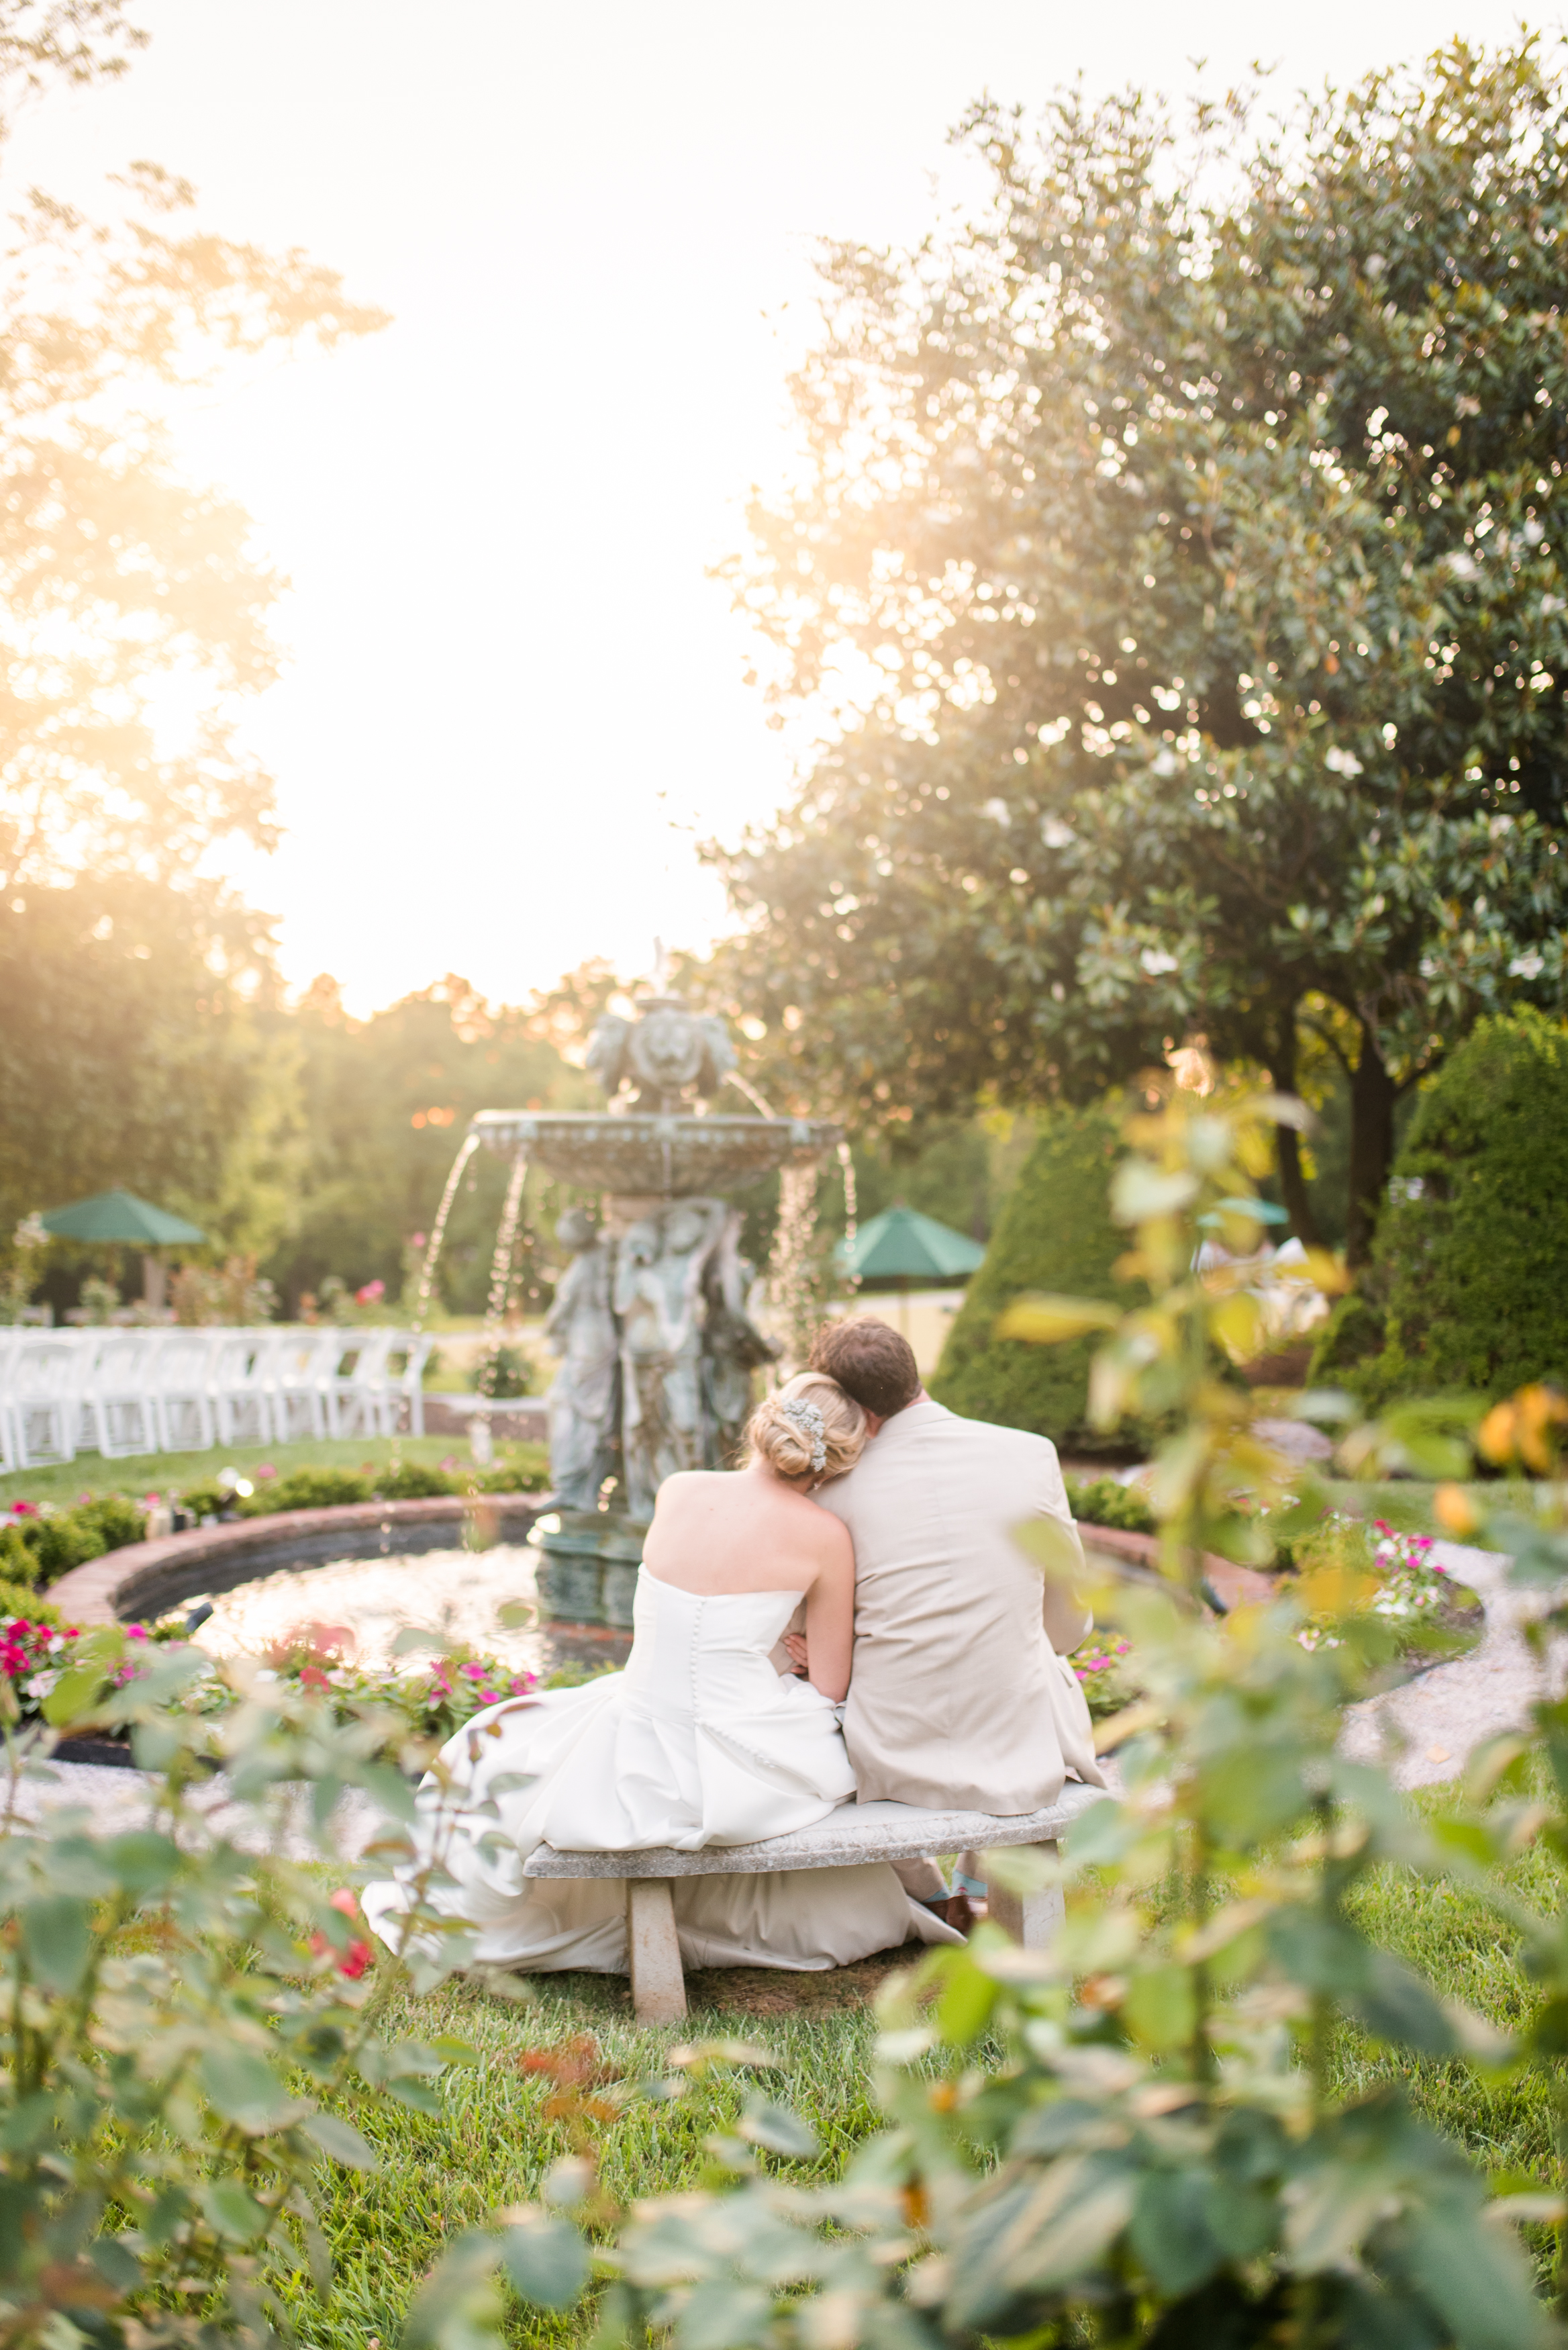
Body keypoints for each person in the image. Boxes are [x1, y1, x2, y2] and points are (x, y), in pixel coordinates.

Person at [361, 1371, 961, 1977]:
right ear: (840, 1462)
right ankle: (927, 1891)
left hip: (635, 1726)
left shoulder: (678, 1490)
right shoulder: (827, 1536)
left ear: (765, 1422)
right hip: (744, 1762)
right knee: (846, 1751)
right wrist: (794, 1658)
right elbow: (831, 1688)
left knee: (510, 1739)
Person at [789, 1315, 1104, 1928]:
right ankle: (972, 1881)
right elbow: (1071, 1629)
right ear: (913, 1372)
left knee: (814, 1680)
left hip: (886, 1751)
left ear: (853, 1406)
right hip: (1018, 1743)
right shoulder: (1029, 1453)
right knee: (1028, 1657)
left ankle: (931, 1892)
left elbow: (820, 1643)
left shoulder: (828, 1491)